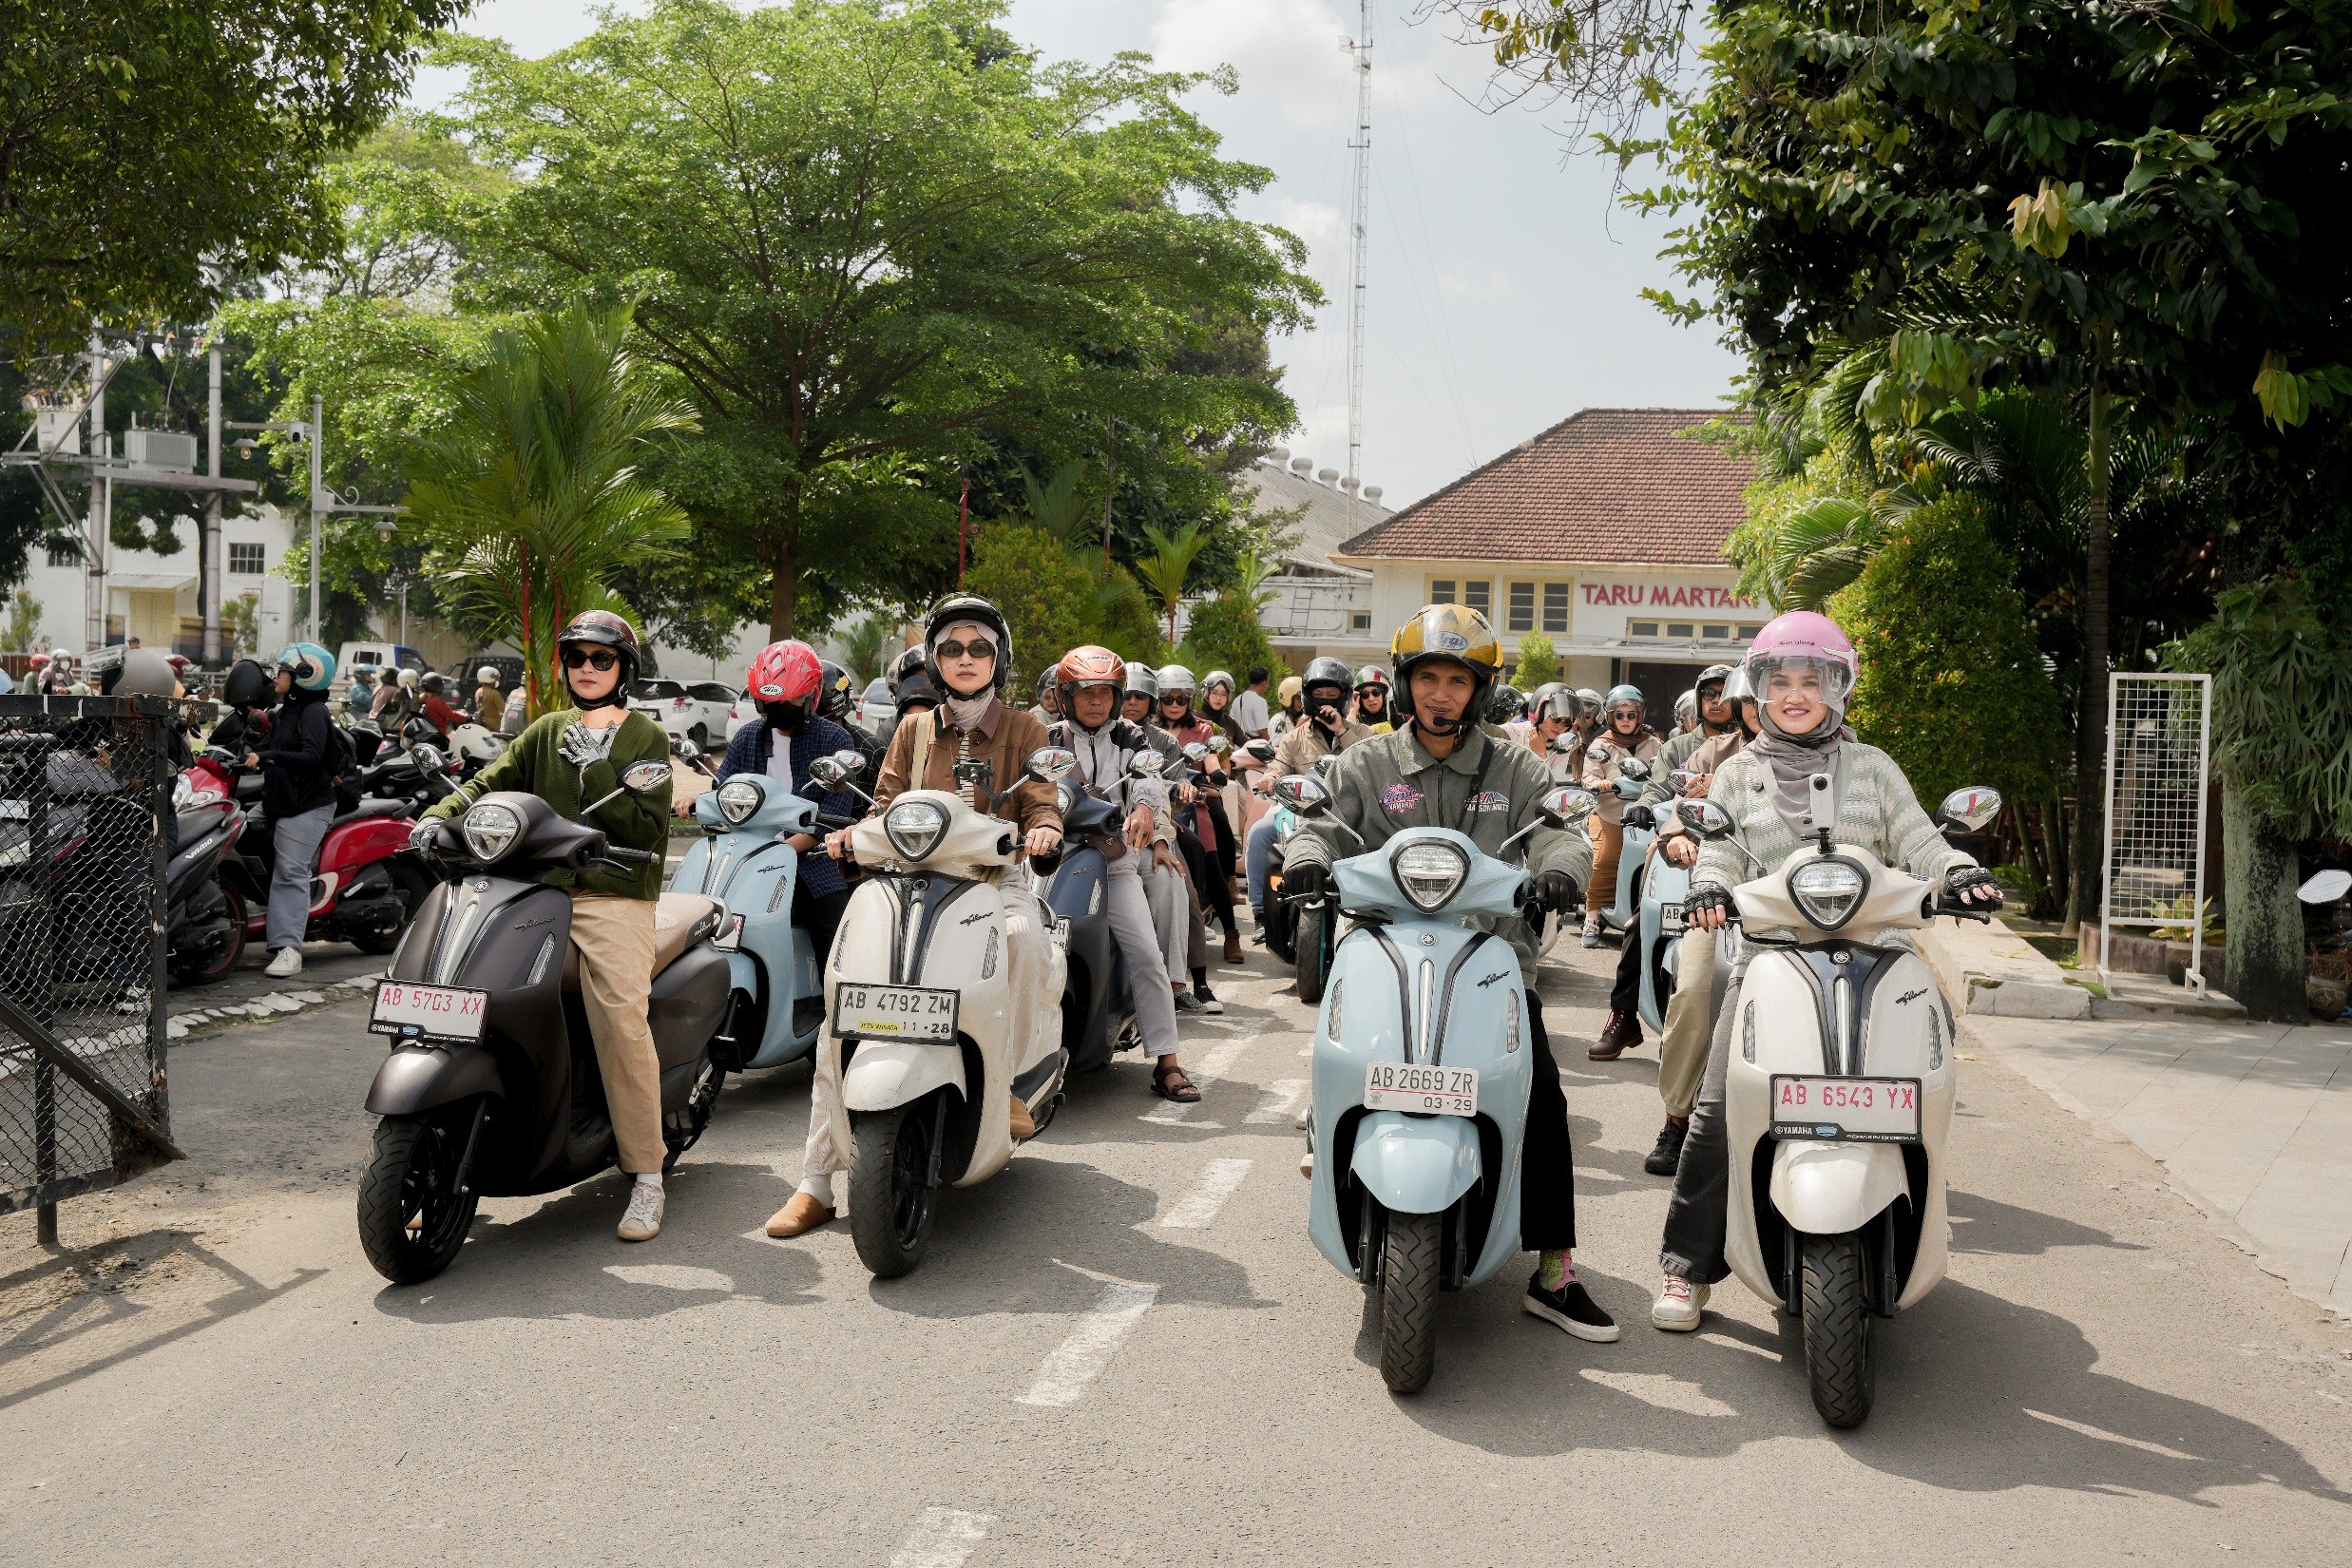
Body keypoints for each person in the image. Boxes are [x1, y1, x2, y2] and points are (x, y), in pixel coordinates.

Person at [1652, 612, 2001, 1329]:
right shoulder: (1737, 773)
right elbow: (1717, 852)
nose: (1794, 694)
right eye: (1779, 681)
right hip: (1771, 960)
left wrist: (1961, 871)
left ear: (1838, 686)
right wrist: (1708, 890)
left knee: (1919, 1090)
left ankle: (1908, 1226)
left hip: (1880, 957)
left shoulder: (1872, 766)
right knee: (1721, 1110)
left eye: (1812, 680)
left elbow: (1919, 838)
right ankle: (1686, 1270)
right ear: (1759, 689)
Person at [1283, 604, 1615, 1342]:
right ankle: (1324, 1131)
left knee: (1544, 1098)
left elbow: (1561, 833)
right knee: (1340, 1050)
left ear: (1479, 689)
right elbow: (1317, 822)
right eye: (1427, 677)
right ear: (1404, 683)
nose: (1440, 694)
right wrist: (1305, 857)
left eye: (1457, 680)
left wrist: (1560, 874)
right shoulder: (1364, 762)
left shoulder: (1516, 766)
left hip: (1490, 957)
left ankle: (1554, 1270)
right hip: (1382, 949)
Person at [773, 596, 1064, 1239]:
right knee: (842, 1007)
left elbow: (1042, 802)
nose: (965, 659)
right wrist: (854, 835)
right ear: (935, 659)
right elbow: (882, 803)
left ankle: (1008, 1084)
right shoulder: (912, 727)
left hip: (991, 881)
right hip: (906, 881)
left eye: (978, 648)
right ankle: (815, 1181)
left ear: (998, 658)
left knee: (1024, 940)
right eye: (952, 648)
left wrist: (1042, 833)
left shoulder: (1025, 729)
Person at [412, 611, 676, 1243]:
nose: (587, 668)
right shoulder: (546, 730)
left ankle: (645, 1176)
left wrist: (601, 767)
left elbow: (645, 829)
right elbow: (488, 783)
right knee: (463, 982)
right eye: (578, 657)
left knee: (619, 1016)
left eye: (601, 659)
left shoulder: (645, 739)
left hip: (612, 897)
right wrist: (434, 816)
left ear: (624, 670)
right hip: (534, 889)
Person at [1043, 646, 1196, 1101]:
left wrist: (1147, 809)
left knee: (1147, 954)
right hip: (1054, 860)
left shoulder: (1132, 737)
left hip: (1115, 861)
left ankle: (1167, 1061)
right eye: (1085, 692)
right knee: (1030, 951)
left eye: (1105, 693)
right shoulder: (1048, 736)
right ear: (1065, 695)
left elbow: (1147, 779)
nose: (1096, 702)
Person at [1636, 666, 1757, 1176]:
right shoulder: (1717, 756)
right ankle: (1678, 1118)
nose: (1778, 704)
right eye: (1759, 696)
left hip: (1816, 908)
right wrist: (1678, 836)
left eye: (1805, 688)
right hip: (1724, 900)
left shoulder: (1857, 759)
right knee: (1693, 989)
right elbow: (1683, 810)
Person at [1592, 664, 1740, 1062]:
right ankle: (1624, 1016)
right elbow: (1657, 786)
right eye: (1708, 693)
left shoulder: (1753, 745)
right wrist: (1641, 807)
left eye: (1725, 693)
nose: (1716, 700)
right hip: (1681, 854)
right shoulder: (1681, 747)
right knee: (1645, 920)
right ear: (1698, 698)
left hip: (1741, 859)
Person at [711, 640, 865, 971]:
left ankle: (834, 1009)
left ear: (812, 695)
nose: (782, 706)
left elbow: (833, 817)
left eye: (791, 698)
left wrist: (779, 851)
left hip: (813, 863)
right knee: (709, 921)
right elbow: (723, 789)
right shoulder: (747, 736)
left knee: (837, 945)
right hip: (746, 859)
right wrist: (696, 802)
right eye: (771, 700)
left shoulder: (835, 740)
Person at [1244, 657, 1372, 933]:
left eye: (1332, 694)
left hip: (1350, 813)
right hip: (1299, 810)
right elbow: (1278, 767)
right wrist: (1270, 778)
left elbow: (1370, 765)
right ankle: (1260, 914)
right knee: (1259, 833)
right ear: (1306, 697)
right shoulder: (1293, 737)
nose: (1325, 700)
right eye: (1318, 694)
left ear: (1345, 697)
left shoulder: (1364, 734)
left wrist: (1342, 730)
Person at [246, 644, 340, 979]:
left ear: (304, 675)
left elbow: (312, 757)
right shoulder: (288, 709)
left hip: (306, 804)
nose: (276, 677)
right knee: (235, 829)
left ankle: (289, 949)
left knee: (291, 871)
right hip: (281, 798)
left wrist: (270, 756)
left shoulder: (313, 711)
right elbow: (272, 746)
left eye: (282, 671)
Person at [1156, 664, 1245, 968]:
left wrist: (1215, 773)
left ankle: (1231, 932)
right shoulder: (1147, 730)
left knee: (1208, 849)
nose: (1175, 705)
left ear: (1192, 700)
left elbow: (1209, 760)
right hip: (1152, 804)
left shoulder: (1203, 729)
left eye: (1182, 699)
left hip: (1194, 800)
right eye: (1169, 699)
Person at [1578, 684, 1662, 947]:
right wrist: (1599, 784)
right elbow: (1589, 774)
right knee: (1605, 859)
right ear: (1611, 716)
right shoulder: (1601, 743)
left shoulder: (1654, 743)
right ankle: (1592, 916)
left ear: (1640, 716)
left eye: (1631, 714)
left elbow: (1663, 772)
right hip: (1610, 814)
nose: (1626, 720)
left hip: (1646, 816)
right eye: (1620, 714)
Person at [418, 672, 464, 737]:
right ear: (436, 686)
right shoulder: (435, 700)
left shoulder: (424, 698)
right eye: (441, 685)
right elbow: (450, 714)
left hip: (431, 731)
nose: (442, 687)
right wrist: (466, 717)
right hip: (440, 732)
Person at [1351, 665, 1394, 732]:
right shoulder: (1352, 722)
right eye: (1365, 694)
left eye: (1376, 692)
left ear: (1385, 695)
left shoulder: (1398, 721)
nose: (1371, 699)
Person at [1233, 667, 1272, 738]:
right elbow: (1262, 730)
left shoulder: (1237, 700)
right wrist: (1270, 744)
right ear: (1264, 683)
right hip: (1254, 745)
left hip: (1238, 745)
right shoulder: (1260, 702)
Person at [1266, 674, 1306, 742]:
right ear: (1288, 698)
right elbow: (1279, 748)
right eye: (1299, 699)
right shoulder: (1279, 720)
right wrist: (1298, 726)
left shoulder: (1303, 717)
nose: (1302, 702)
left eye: (1304, 699)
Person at [472, 665, 507, 731]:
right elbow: (503, 710)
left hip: (481, 723)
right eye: (495, 677)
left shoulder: (478, 691)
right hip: (495, 724)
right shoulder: (494, 693)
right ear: (489, 678)